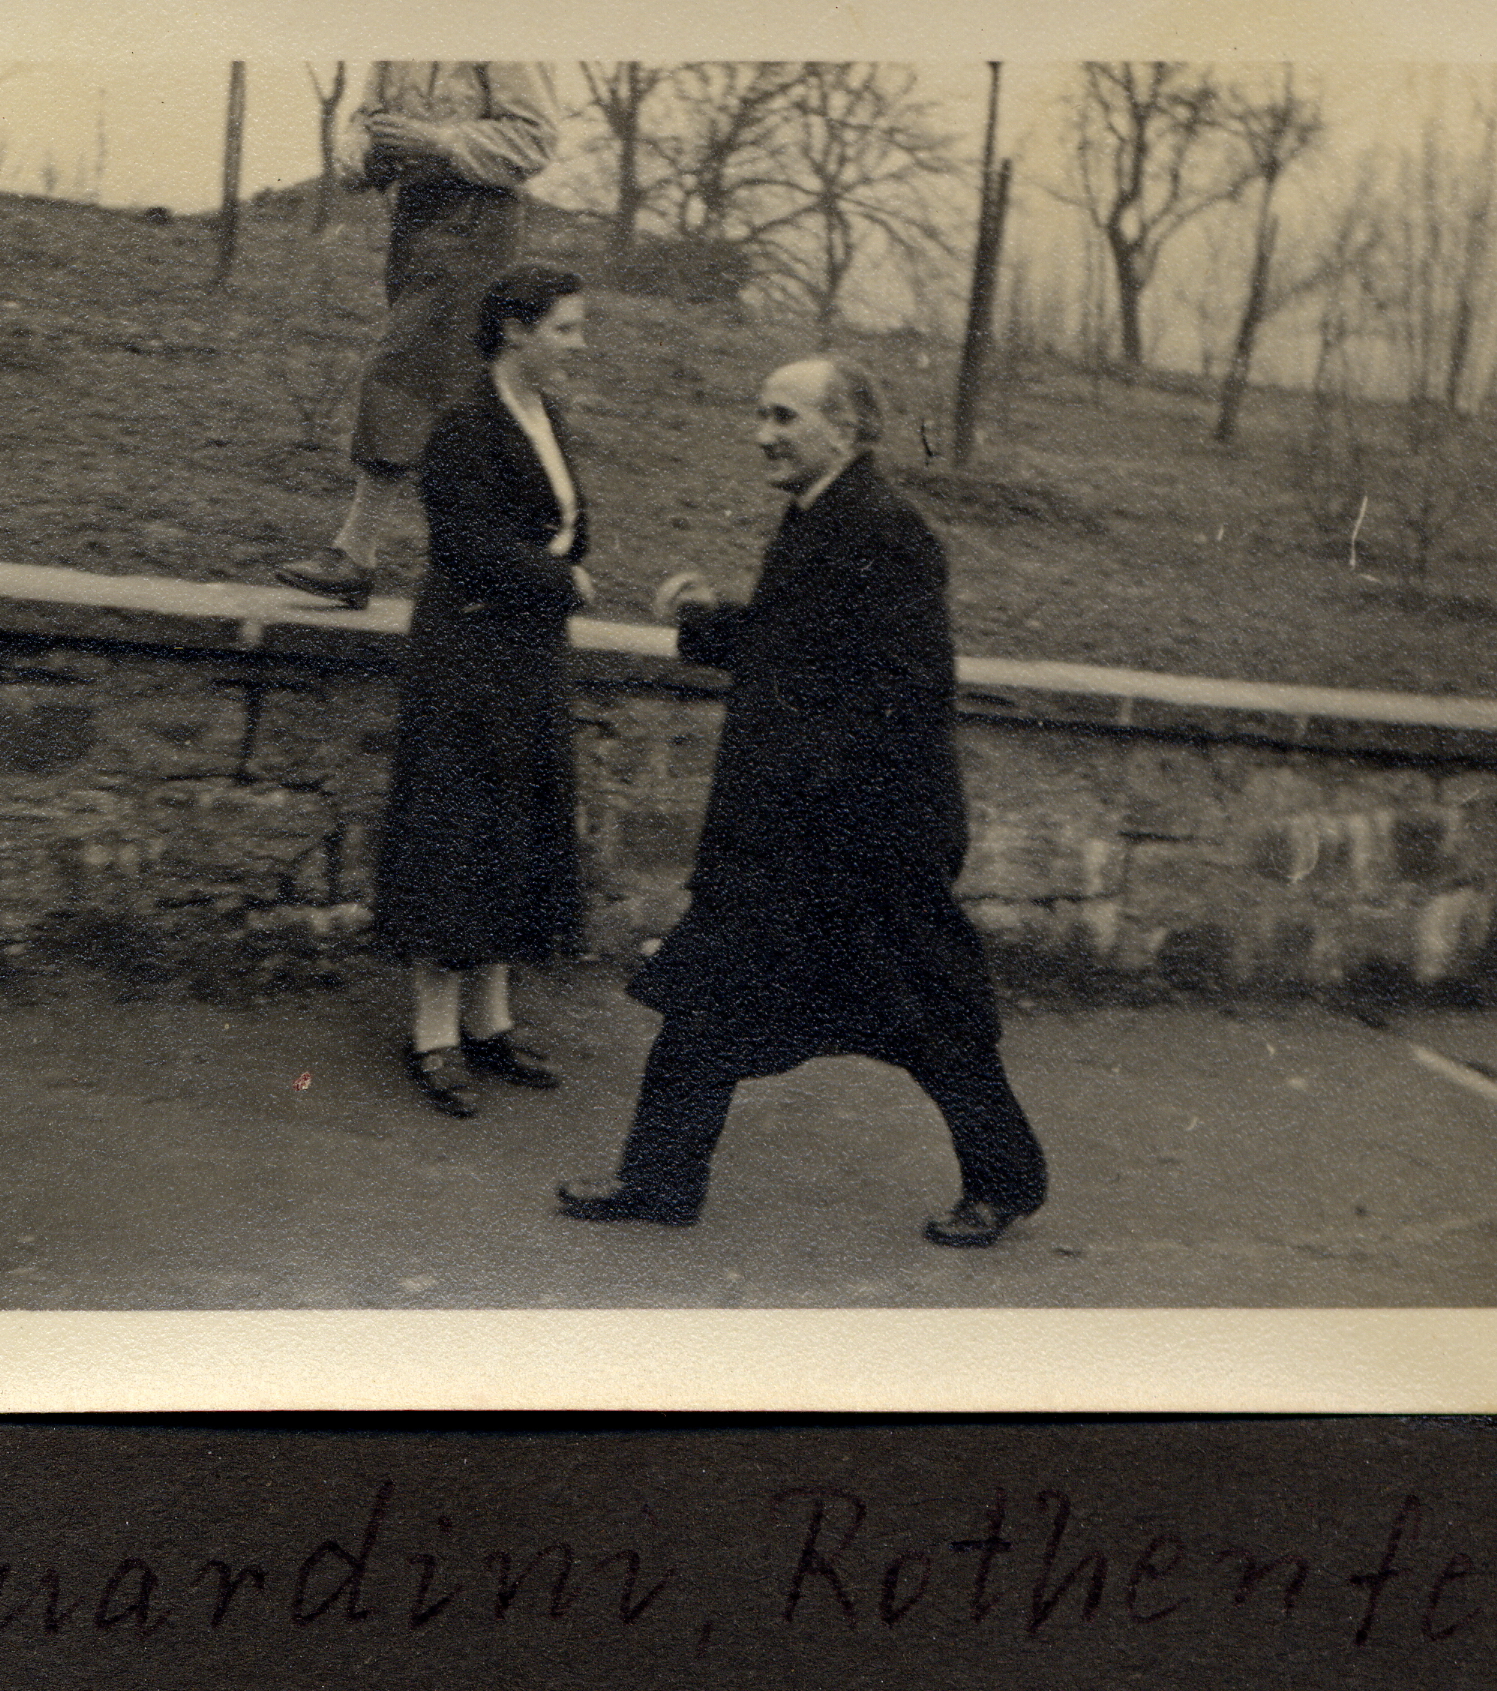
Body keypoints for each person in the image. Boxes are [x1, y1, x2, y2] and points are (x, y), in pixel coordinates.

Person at [556, 357, 1047, 1247]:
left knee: (930, 1017)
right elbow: (799, 642)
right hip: (794, 836)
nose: (763, 435)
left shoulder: (887, 531)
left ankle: (1004, 1180)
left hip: (868, 842)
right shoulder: (822, 514)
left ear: (845, 428)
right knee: (707, 994)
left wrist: (820, 803)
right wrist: (707, 619)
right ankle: (659, 1178)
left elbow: (906, 694)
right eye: (760, 415)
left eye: (783, 416)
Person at [373, 265, 594, 1118]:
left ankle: (490, 1022)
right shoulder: (467, 423)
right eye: (565, 328)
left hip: (528, 653)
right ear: (514, 329)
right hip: (467, 654)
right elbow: (464, 545)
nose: (577, 343)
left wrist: (558, 571)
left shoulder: (546, 417)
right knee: (457, 829)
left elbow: (566, 522)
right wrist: (561, 580)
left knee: (514, 826)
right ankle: (433, 1035)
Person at [277, 63, 561, 611]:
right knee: (457, 395)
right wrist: (370, 156)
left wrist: (439, 141)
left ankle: (356, 553)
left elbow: (536, 139)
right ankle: (498, 566)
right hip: (413, 223)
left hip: (477, 222)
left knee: (400, 371)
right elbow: (360, 126)